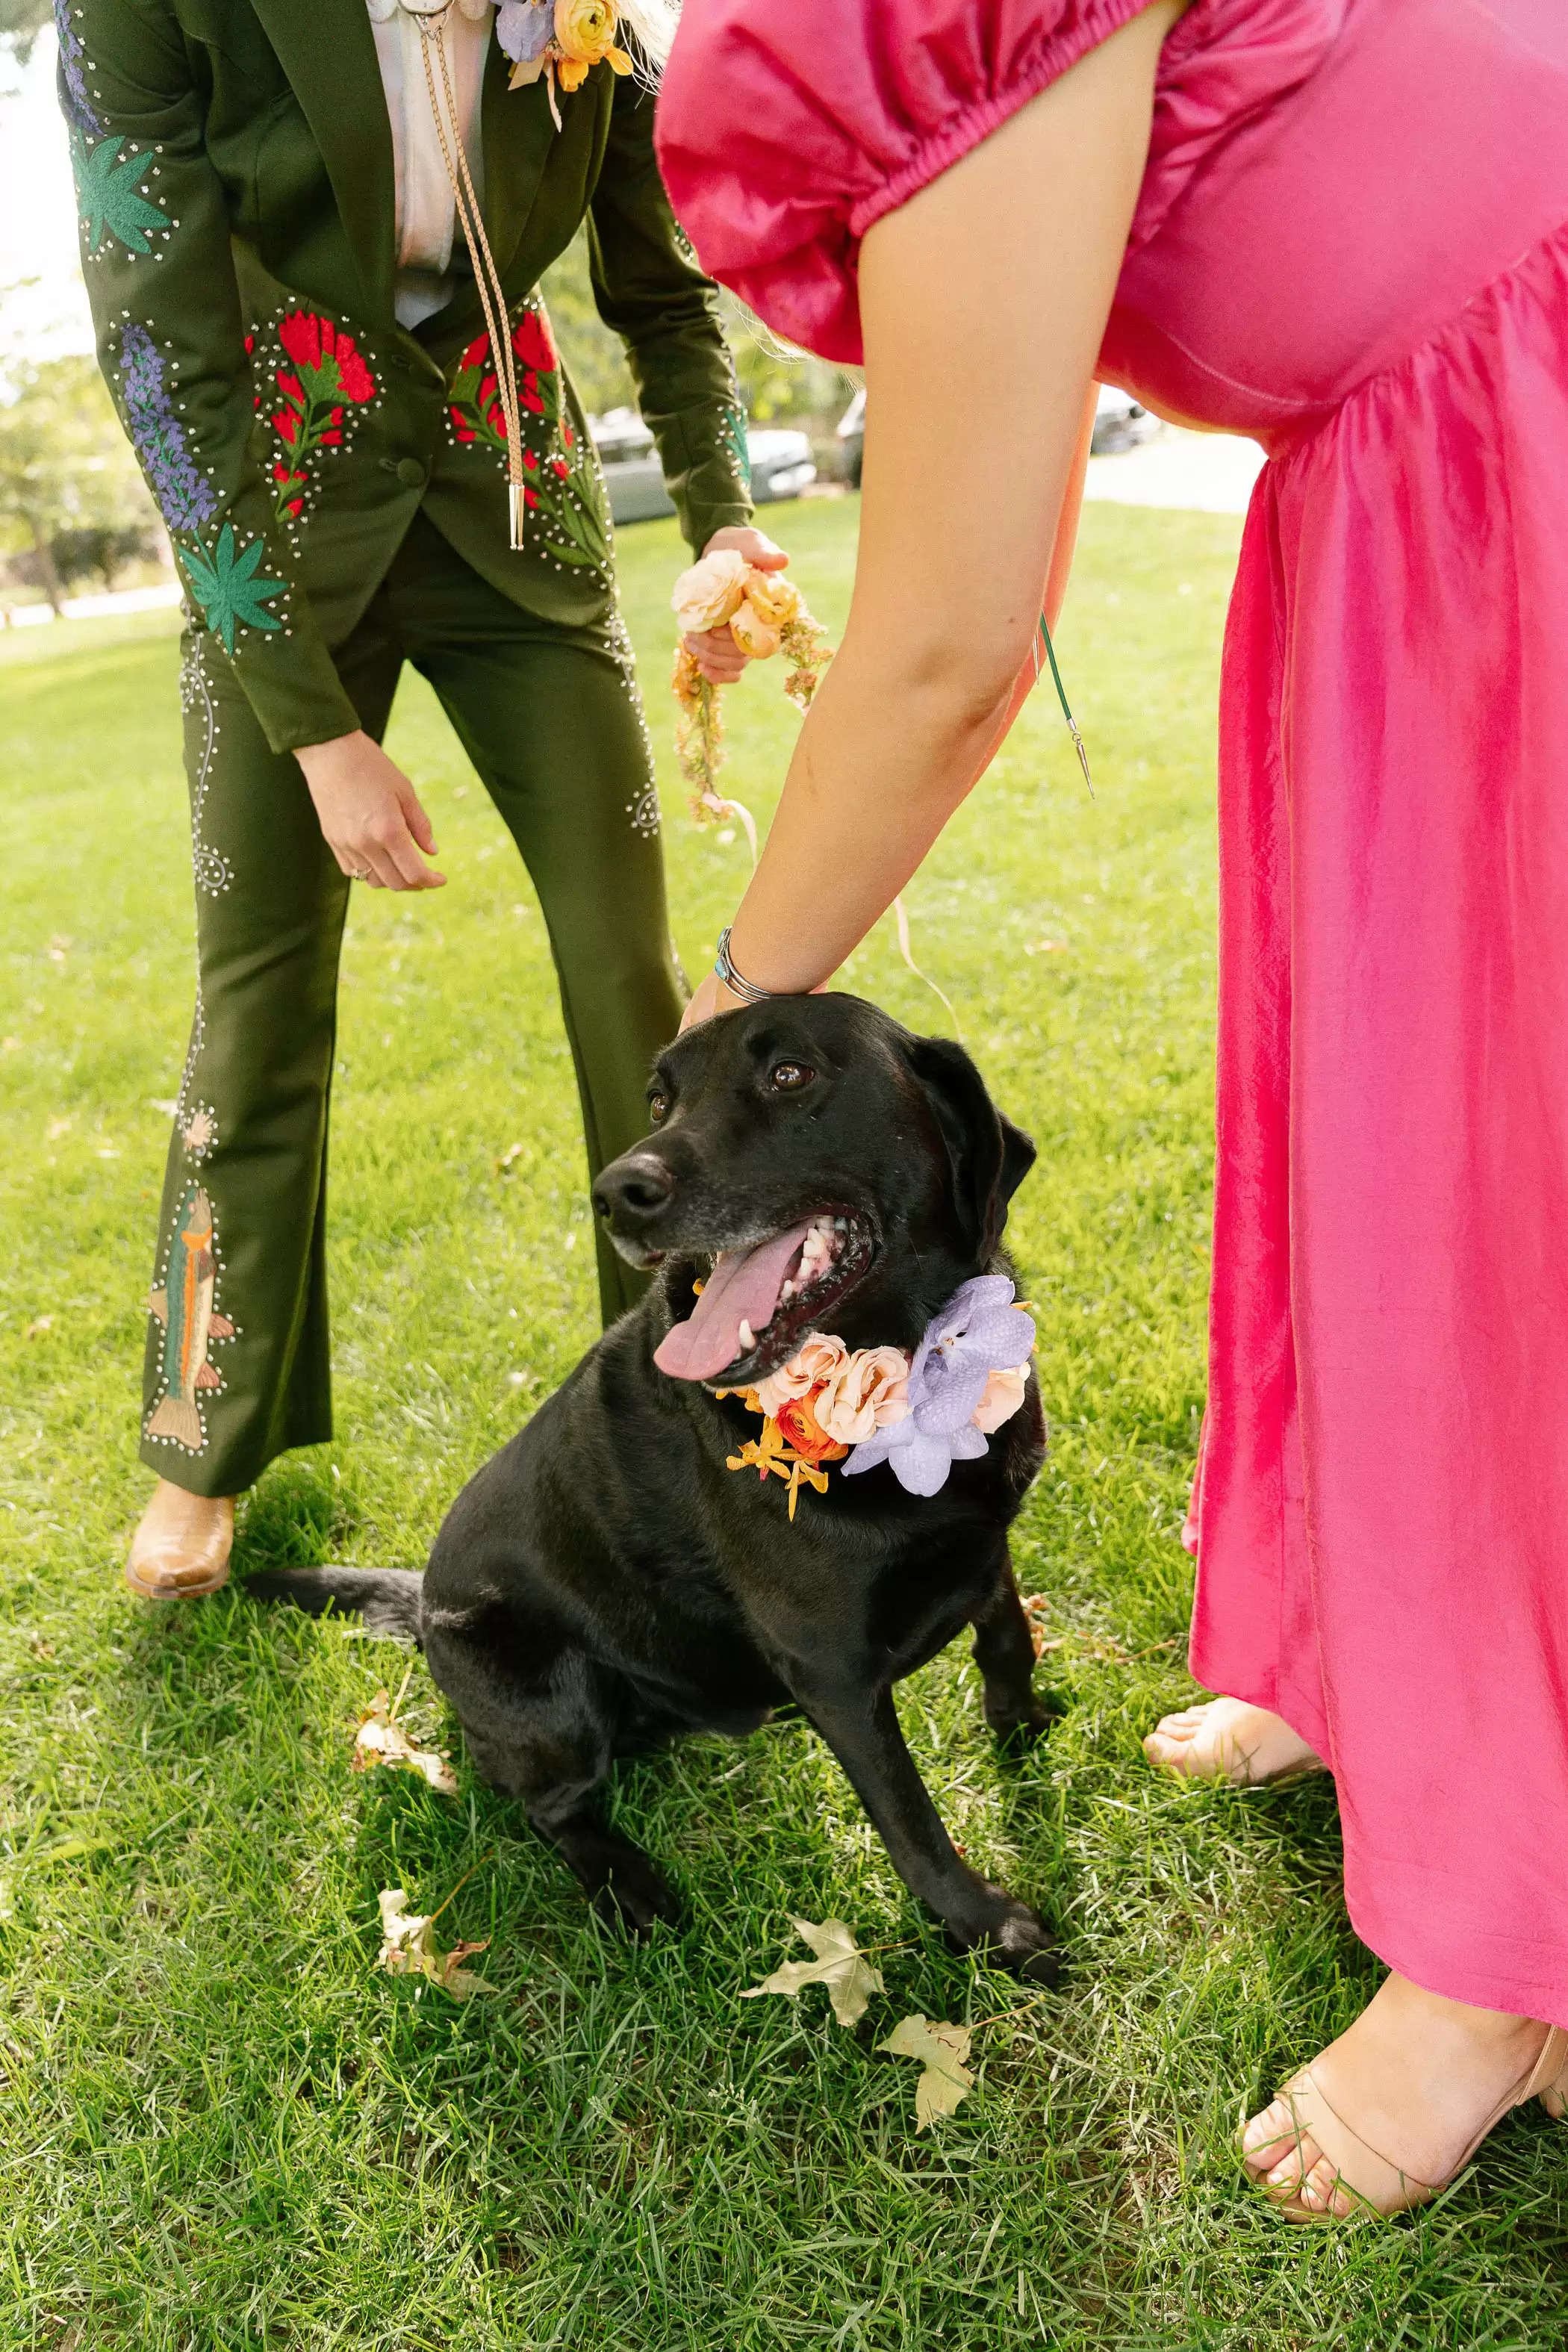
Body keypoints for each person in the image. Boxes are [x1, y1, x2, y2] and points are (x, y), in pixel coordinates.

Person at [656, 0, 1568, 2219]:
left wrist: (733, 1006)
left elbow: (958, 627)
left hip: (1511, 429)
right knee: (1391, 1157)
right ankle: (1384, 1675)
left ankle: (1502, 1956)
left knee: (1492, 1210)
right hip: (1411, 475)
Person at [60, 0, 780, 1599]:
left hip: (512, 500)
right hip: (278, 525)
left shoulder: (589, 19)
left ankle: (702, 1395)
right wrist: (318, 739)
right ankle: (199, 1447)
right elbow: (162, 370)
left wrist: (726, 520)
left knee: (631, 977)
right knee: (255, 1003)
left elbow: (668, 300)